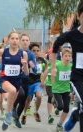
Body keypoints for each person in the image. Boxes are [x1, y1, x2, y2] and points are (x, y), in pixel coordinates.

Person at [51, 2, 83, 132]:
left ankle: (75, 114)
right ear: (78, 16)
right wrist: (53, 66)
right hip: (78, 78)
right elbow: (55, 46)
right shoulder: (72, 35)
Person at [0, 31, 29, 130]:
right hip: (5, 79)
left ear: (19, 41)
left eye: (16, 39)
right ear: (8, 40)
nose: (14, 41)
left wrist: (25, 65)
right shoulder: (3, 51)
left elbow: (27, 73)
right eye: (12, 38)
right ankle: (8, 114)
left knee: (11, 102)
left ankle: (8, 117)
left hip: (17, 81)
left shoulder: (23, 54)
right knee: (12, 91)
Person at [12, 34, 37, 128]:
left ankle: (16, 118)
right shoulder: (14, 52)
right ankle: (13, 106)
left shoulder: (31, 54)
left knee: (23, 100)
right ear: (19, 41)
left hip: (26, 79)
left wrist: (32, 65)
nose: (25, 42)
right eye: (23, 40)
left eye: (27, 40)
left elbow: (34, 70)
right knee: (21, 94)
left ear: (29, 42)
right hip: (15, 79)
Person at [21, 43, 47, 125]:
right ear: (30, 51)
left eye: (37, 50)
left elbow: (46, 68)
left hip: (38, 82)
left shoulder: (41, 59)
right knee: (28, 100)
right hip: (29, 82)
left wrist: (43, 80)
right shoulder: (28, 58)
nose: (36, 52)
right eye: (34, 51)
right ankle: (24, 114)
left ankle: (36, 112)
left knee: (39, 96)